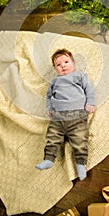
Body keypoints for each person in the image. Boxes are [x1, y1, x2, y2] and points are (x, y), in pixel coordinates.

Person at [36, 48, 96, 180]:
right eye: (58, 64)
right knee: (52, 136)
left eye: (66, 62)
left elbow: (89, 90)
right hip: (58, 117)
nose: (63, 65)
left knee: (80, 140)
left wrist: (90, 103)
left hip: (78, 116)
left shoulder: (80, 76)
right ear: (55, 68)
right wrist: (49, 107)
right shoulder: (54, 82)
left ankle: (81, 165)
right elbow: (49, 96)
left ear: (73, 63)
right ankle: (49, 159)